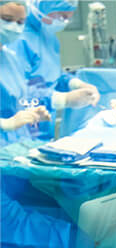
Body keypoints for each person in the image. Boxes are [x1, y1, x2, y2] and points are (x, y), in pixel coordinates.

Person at [11, 0, 99, 139]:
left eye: (69, 18)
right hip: (15, 131)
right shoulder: (16, 39)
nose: (64, 22)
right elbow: (13, 92)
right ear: (40, 8)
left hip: (42, 128)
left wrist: (75, 84)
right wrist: (63, 99)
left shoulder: (48, 37)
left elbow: (51, 75)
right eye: (61, 16)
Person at [0, 0, 51, 143]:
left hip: (13, 147)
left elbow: (12, 105)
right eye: (6, 19)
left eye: (20, 22)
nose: (13, 27)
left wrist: (29, 114)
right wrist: (4, 124)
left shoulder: (10, 58)